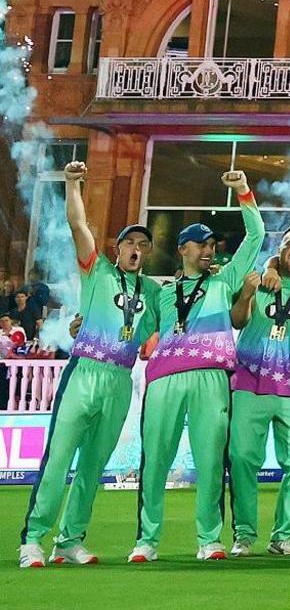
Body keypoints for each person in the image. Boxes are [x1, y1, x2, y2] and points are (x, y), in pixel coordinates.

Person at [18, 161, 157, 568]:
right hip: (86, 370)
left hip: (119, 379)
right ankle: (33, 539)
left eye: (143, 245)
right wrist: (73, 182)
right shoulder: (97, 271)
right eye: (130, 243)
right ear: (118, 249)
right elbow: (80, 226)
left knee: (94, 465)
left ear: (148, 252)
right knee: (59, 457)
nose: (136, 250)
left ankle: (70, 540)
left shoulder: (153, 290)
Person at [133, 169, 262, 563]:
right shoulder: (162, 292)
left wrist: (241, 191)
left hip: (212, 377)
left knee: (210, 461)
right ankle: (146, 541)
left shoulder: (224, 282)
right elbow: (137, 334)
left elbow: (256, 236)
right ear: (182, 249)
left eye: (212, 245)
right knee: (155, 460)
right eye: (200, 245)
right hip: (165, 380)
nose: (209, 251)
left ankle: (209, 539)